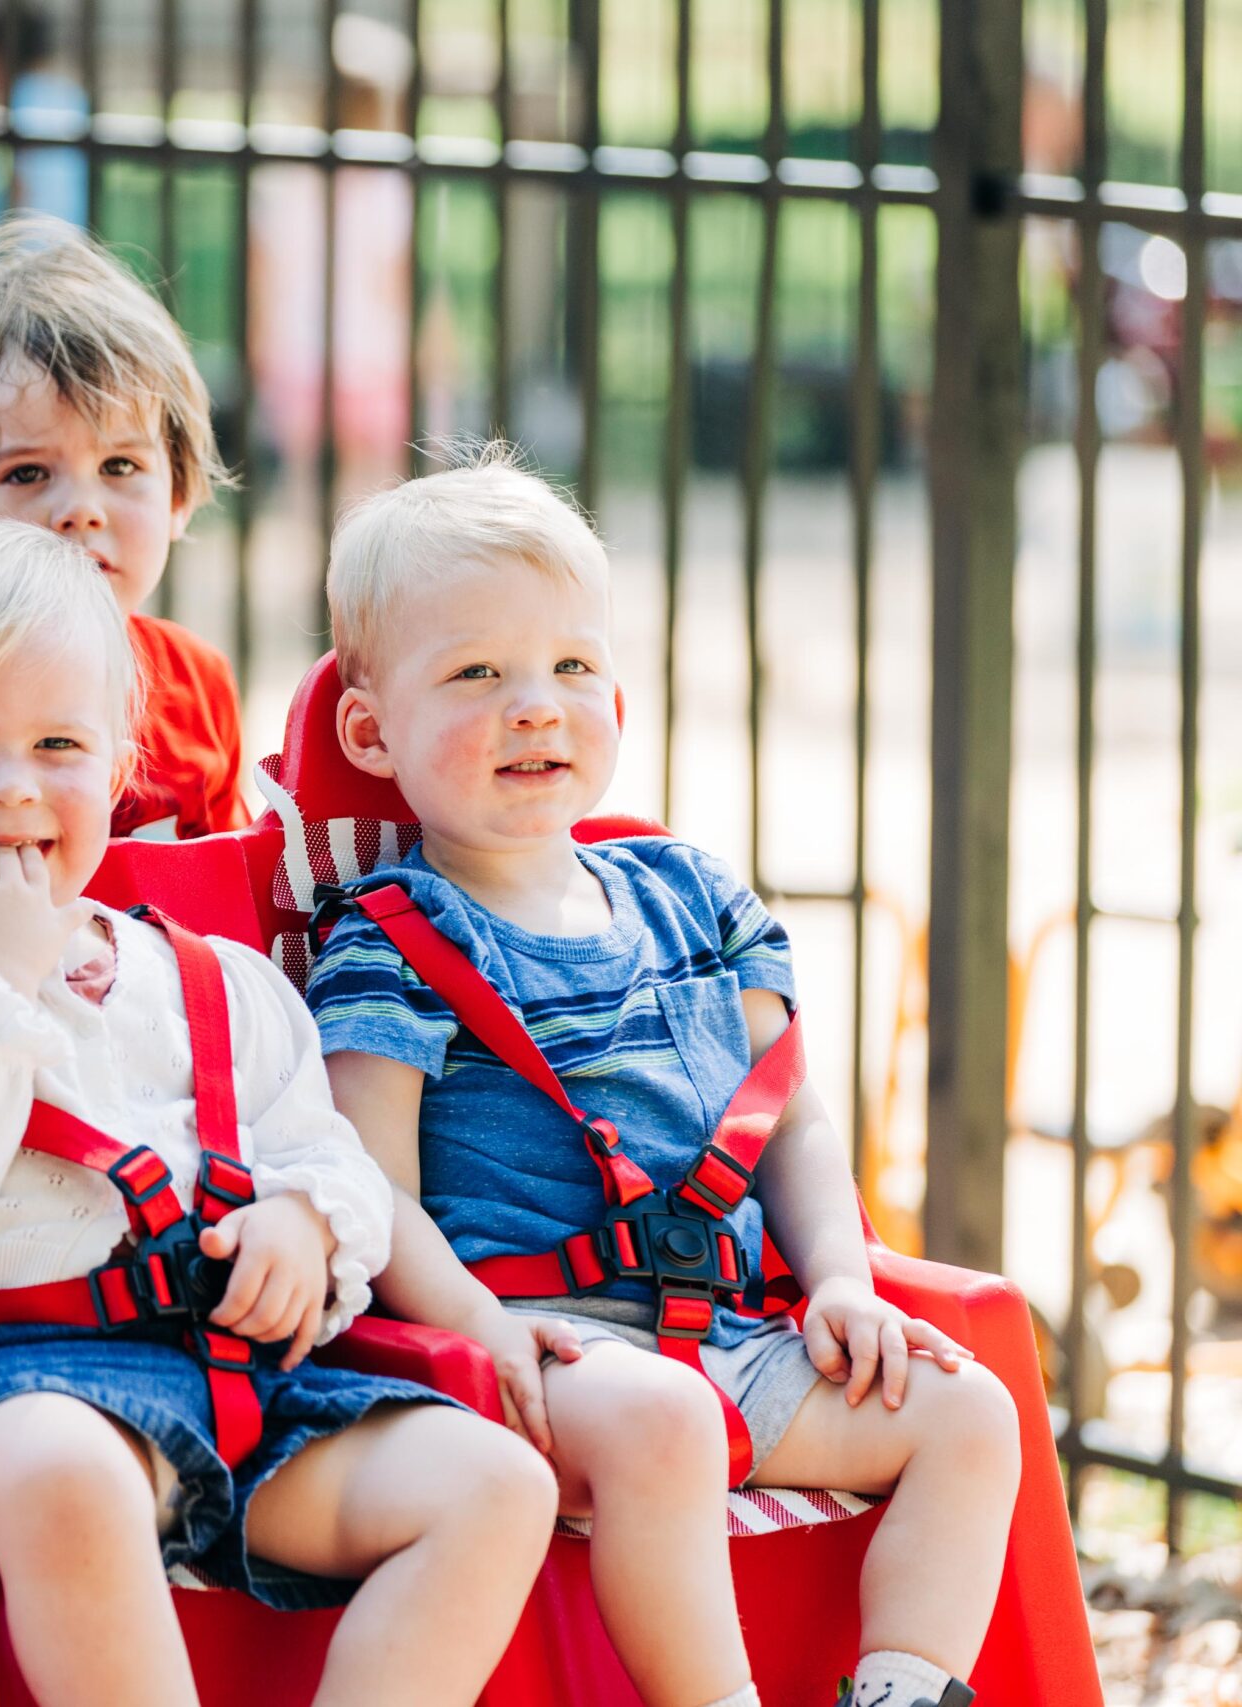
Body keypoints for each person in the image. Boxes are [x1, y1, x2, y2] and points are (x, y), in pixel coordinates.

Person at [0, 519, 559, 1707]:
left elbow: (330, 1158)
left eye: (56, 745)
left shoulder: (212, 978)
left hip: (250, 1385)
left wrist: (307, 1228)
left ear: (115, 765)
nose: (11, 785)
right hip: (27, 1388)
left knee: (496, 1486)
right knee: (55, 1471)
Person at [309, 450, 1023, 1707]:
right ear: (371, 730)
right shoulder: (389, 938)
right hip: (542, 1353)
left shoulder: (690, 894)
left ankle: (902, 1688)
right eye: (476, 672)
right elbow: (370, 1187)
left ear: (618, 703)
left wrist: (841, 1280)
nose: (535, 705)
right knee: (665, 1423)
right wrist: (478, 1330)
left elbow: (782, 1110)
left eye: (570, 668)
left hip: (736, 1338)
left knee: (970, 1410)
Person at [0, 212, 249, 841]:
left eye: (120, 465)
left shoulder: (198, 684)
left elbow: (233, 892)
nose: (81, 509)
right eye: (28, 473)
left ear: (179, 492)